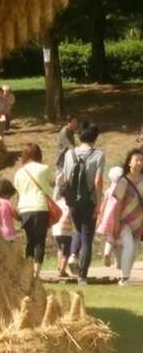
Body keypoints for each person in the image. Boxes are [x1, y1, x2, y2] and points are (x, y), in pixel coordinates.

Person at [60, 122, 105, 285]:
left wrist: (67, 199)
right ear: (95, 137)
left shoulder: (69, 154)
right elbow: (98, 180)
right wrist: (99, 205)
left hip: (72, 201)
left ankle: (73, 255)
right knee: (87, 236)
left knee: (78, 229)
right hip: (89, 201)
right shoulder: (98, 155)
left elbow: (65, 179)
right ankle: (82, 276)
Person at [14, 143, 54, 278]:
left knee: (30, 240)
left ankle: (28, 271)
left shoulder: (19, 172)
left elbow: (18, 192)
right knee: (39, 241)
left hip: (24, 209)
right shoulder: (44, 168)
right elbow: (52, 182)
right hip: (40, 207)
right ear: (39, 154)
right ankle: (36, 272)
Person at [111, 149, 143, 286]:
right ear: (129, 163)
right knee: (129, 246)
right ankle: (124, 278)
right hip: (124, 220)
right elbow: (117, 204)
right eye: (136, 160)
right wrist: (116, 223)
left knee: (134, 251)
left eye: (141, 160)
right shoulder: (123, 181)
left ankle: (125, 274)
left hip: (139, 221)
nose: (139, 163)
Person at [96, 165, 124, 267]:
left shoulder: (108, 191)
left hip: (108, 218)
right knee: (119, 241)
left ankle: (107, 253)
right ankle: (119, 263)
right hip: (119, 218)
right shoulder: (123, 190)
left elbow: (103, 205)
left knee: (110, 239)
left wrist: (100, 216)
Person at [51, 182, 74, 277]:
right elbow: (72, 217)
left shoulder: (57, 203)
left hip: (56, 229)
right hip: (66, 231)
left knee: (60, 249)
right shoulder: (70, 204)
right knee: (66, 252)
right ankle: (62, 270)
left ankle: (59, 266)